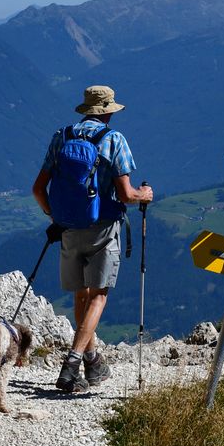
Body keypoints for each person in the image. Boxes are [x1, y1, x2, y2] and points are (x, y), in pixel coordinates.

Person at [32, 85, 154, 392]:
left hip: (68, 227)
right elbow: (126, 195)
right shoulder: (114, 140)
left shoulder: (62, 136)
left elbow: (38, 188)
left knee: (80, 295)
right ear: (109, 111)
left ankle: (92, 361)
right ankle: (72, 364)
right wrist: (145, 195)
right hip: (102, 227)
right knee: (99, 294)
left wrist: (54, 217)